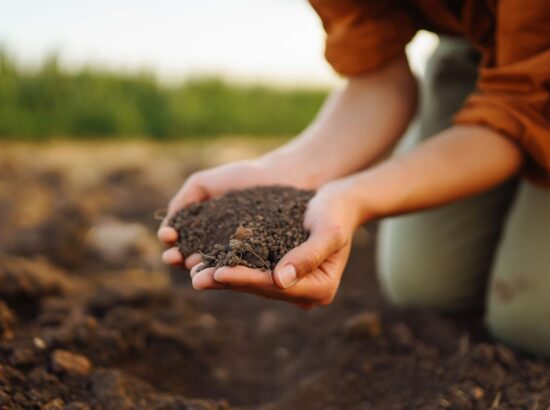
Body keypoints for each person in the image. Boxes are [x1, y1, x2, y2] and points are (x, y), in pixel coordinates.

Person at [158, 1, 550, 357]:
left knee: (531, 323)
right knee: (425, 285)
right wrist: (287, 174)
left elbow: (520, 113)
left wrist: (358, 197)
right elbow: (376, 81)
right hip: (480, 43)